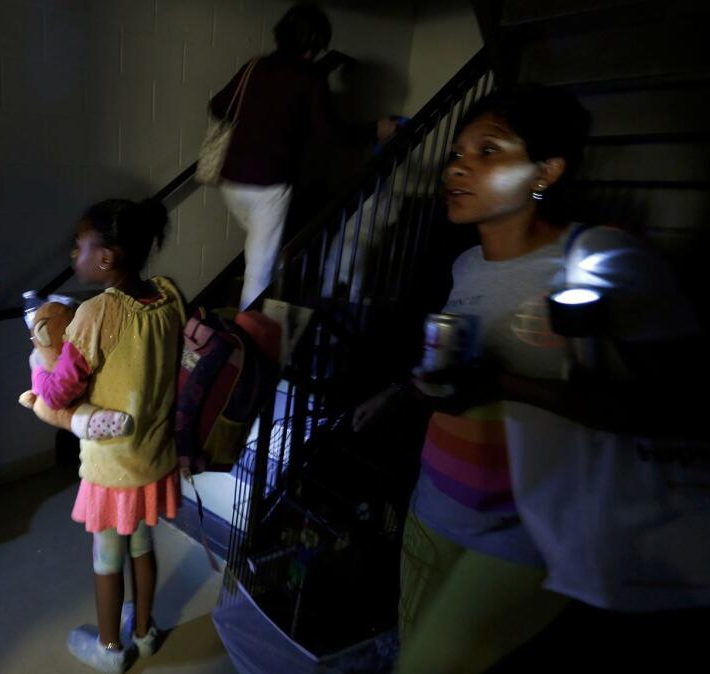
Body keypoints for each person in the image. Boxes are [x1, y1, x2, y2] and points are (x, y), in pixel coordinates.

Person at [352, 84, 707, 673]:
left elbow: (661, 406)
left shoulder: (598, 259)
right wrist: (401, 392)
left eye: (488, 151)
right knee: (410, 643)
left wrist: (506, 386)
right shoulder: (465, 266)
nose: (459, 166)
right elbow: (453, 375)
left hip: (524, 535)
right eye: (457, 152)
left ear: (546, 172)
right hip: (434, 506)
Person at [31, 198, 185, 673]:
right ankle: (144, 631)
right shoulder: (168, 295)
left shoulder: (96, 314)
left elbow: (58, 394)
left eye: (79, 246)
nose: (72, 256)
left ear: (105, 258)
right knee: (142, 546)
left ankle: (109, 649)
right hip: (154, 457)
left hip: (113, 466)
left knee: (107, 557)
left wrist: (39, 358)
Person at [208, 3, 399, 309]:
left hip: (230, 181)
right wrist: (375, 130)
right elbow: (332, 134)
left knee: (268, 245)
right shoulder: (310, 79)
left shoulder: (254, 66)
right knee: (259, 271)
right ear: (315, 44)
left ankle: (278, 298)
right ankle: (245, 341)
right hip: (268, 186)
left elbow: (218, 106)